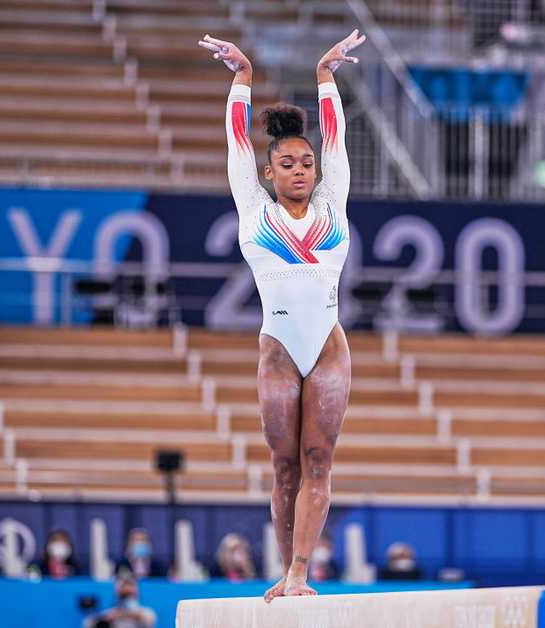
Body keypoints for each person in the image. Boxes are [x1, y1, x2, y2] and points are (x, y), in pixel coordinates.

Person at [198, 27, 365, 602]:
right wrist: (241, 80)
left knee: (318, 459)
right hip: (277, 350)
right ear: (268, 174)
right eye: (287, 163)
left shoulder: (332, 202)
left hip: (326, 347)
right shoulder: (253, 207)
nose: (300, 169)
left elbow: (338, 140)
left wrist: (327, 77)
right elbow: (237, 144)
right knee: (285, 467)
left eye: (307, 162)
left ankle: (299, 573)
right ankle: (283, 569)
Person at [84, 573, 156, 628]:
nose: (128, 596)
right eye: (125, 594)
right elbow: (88, 623)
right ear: (117, 593)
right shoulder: (109, 613)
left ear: (136, 594)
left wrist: (123, 614)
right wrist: (104, 619)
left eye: (130, 593)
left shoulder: (147, 612)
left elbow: (149, 620)